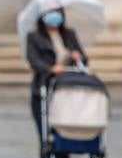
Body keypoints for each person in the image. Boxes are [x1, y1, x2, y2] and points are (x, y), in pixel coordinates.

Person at [24, 8, 87, 147]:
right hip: (44, 86)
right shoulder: (34, 37)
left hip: (67, 86)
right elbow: (33, 59)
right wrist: (51, 69)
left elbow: (84, 59)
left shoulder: (69, 34)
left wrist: (77, 57)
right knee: (45, 130)